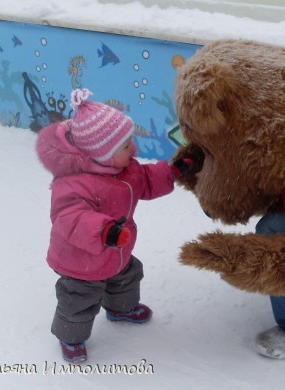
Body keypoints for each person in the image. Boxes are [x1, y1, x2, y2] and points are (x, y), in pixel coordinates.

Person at [36, 88, 191, 363]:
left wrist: (173, 171)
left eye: (130, 140)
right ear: (102, 154)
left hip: (117, 249)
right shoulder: (74, 182)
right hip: (81, 260)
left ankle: (120, 309)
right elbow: (69, 218)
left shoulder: (126, 168)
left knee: (127, 275)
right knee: (79, 300)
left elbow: (145, 179)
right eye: (125, 145)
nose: (134, 148)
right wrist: (105, 231)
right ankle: (71, 337)